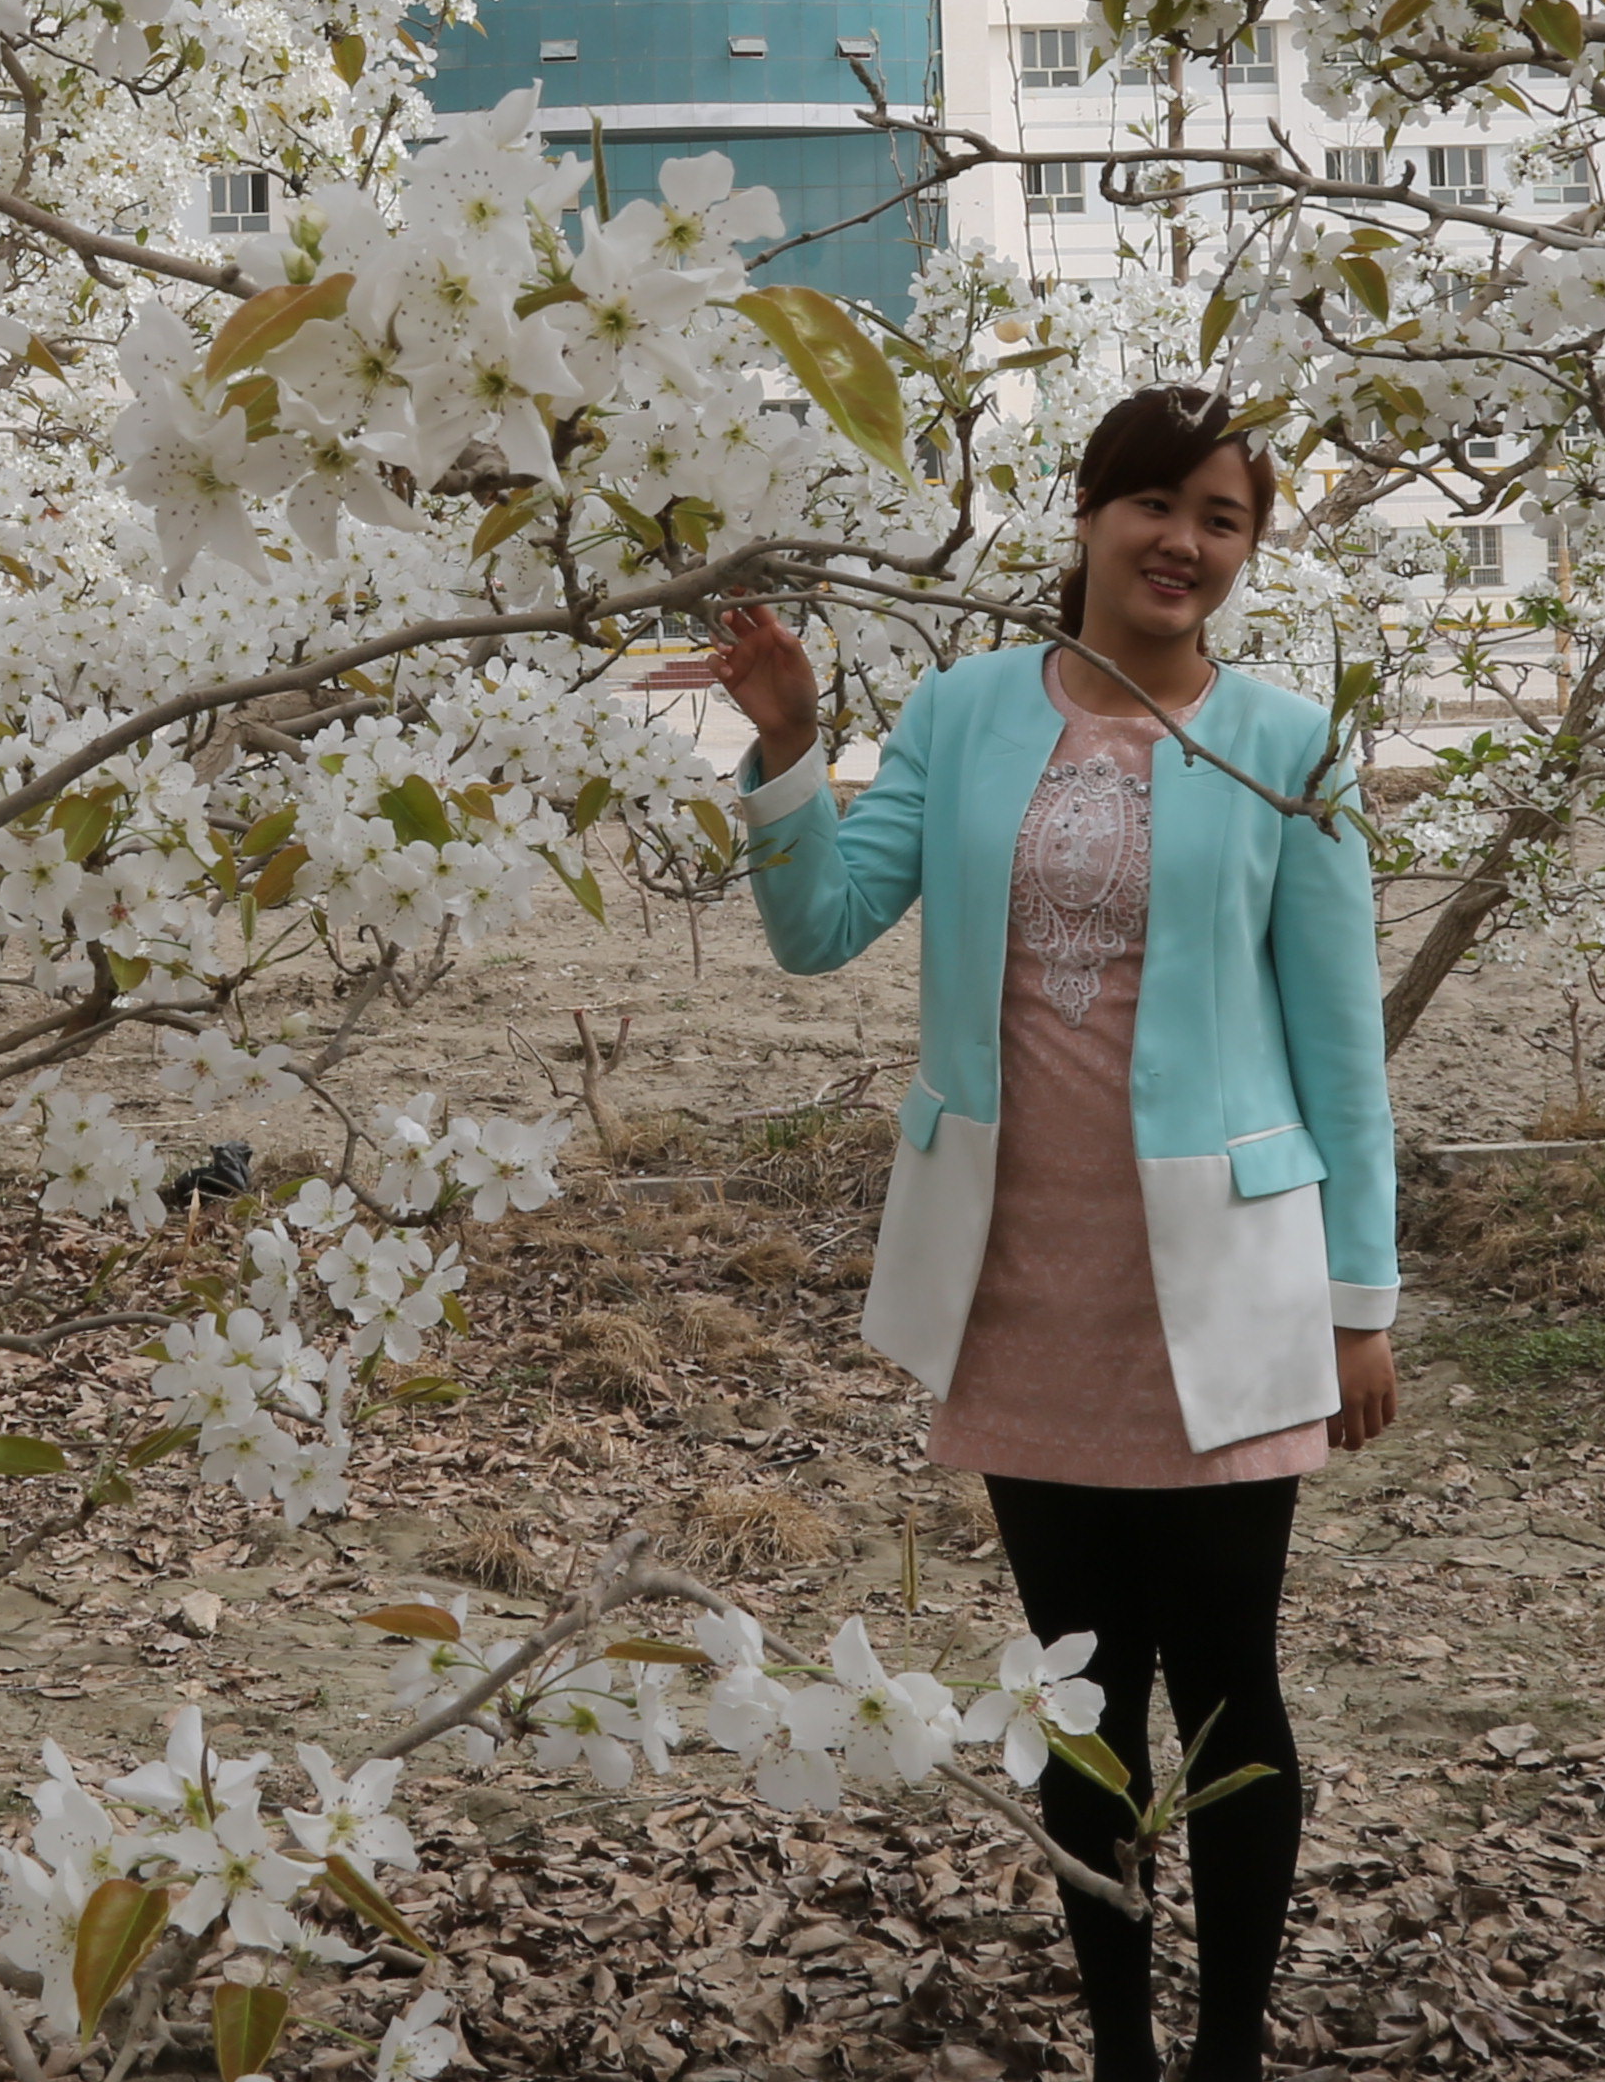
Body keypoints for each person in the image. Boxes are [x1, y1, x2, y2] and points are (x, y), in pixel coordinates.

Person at [637, 384, 1400, 2082]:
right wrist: (784, 748)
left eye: (1223, 517)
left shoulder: (1287, 749)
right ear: (1088, 515)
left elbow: (1343, 1050)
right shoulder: (969, 713)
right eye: (1155, 504)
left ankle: (1229, 2056)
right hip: (1025, 1282)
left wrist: (1363, 1302)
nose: (1183, 543)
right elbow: (824, 929)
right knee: (1078, 1695)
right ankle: (1124, 2050)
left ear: (1248, 548)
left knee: (1227, 1690)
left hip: (1229, 1284)